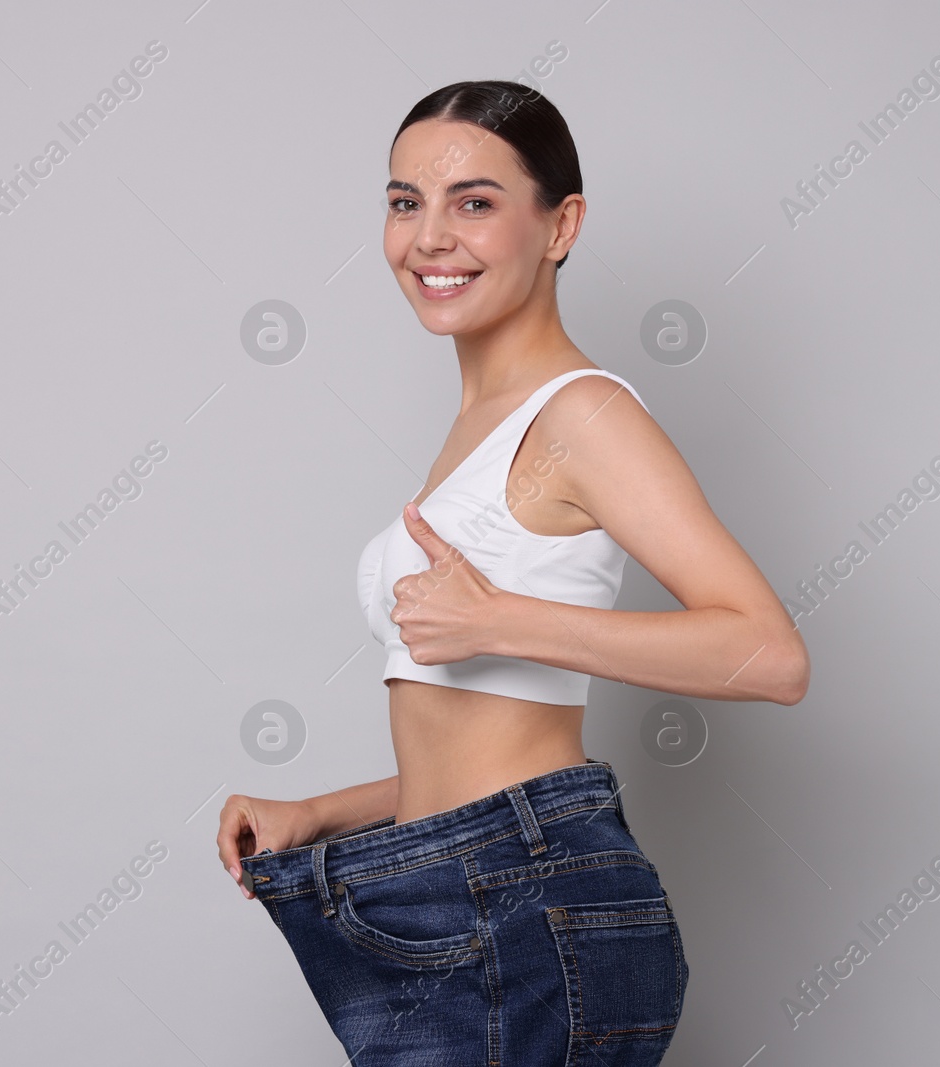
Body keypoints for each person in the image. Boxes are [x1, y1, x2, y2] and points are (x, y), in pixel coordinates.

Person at [218, 79, 809, 1065]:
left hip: (527, 896)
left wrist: (498, 618)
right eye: (405, 202)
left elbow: (768, 652)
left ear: (560, 224)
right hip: (454, 876)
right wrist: (317, 814)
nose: (428, 237)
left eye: (475, 202)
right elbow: (491, 735)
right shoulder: (476, 430)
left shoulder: (581, 418)